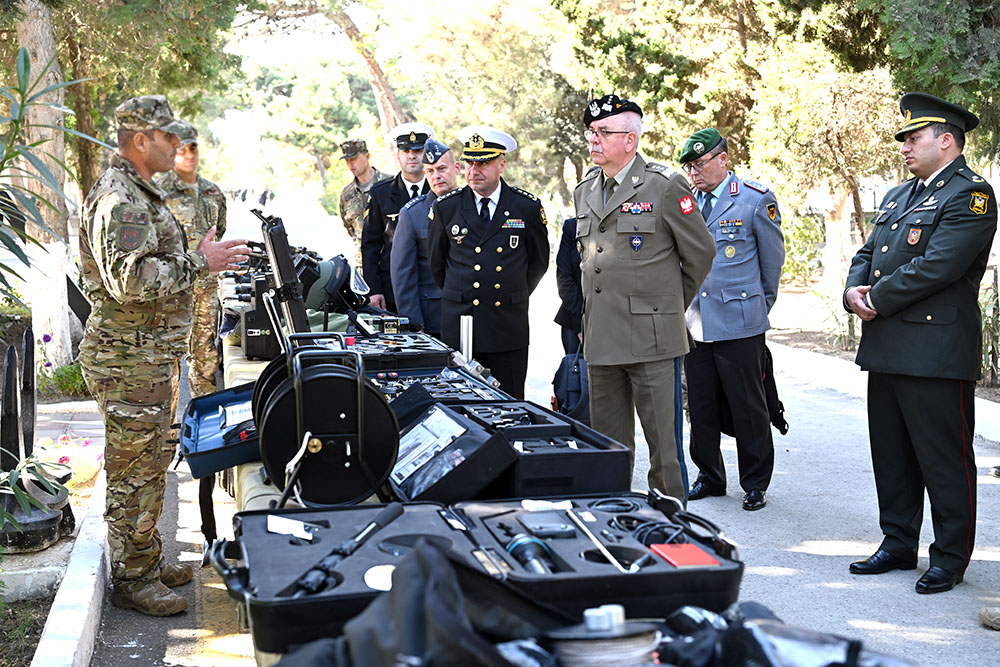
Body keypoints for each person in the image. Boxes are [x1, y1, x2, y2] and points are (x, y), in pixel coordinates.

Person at [78, 95, 248, 616]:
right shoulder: (121, 200)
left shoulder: (140, 192)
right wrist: (201, 261)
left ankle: (146, 562)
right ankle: (132, 581)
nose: (177, 145)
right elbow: (130, 281)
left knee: (151, 466)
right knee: (135, 473)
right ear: (138, 141)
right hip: (127, 361)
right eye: (167, 136)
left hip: (146, 357)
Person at [844, 93, 996, 594]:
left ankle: (951, 556)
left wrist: (878, 298)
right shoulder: (897, 195)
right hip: (887, 343)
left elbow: (940, 265)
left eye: (914, 137)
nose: (905, 147)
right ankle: (897, 542)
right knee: (891, 453)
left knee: (943, 458)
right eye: (904, 139)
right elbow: (868, 251)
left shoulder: (971, 195)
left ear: (946, 140)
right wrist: (852, 290)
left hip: (935, 349)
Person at [573, 94, 714, 500]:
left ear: (630, 140)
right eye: (592, 133)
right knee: (608, 449)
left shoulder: (664, 186)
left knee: (665, 453)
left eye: (603, 133)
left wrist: (666, 308)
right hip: (601, 338)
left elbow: (700, 253)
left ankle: (675, 535)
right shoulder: (585, 190)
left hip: (652, 341)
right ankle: (614, 525)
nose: (593, 140)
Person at [679, 128, 785, 512]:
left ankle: (755, 482)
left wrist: (757, 308)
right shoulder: (687, 202)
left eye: (700, 164)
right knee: (701, 404)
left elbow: (771, 264)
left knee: (748, 405)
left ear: (723, 160)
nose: (694, 172)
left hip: (740, 320)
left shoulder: (755, 200)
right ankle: (709, 474)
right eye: (689, 166)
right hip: (695, 321)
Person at [428, 125, 549, 399]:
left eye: (483, 163)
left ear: (502, 164)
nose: (474, 170)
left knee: (509, 404)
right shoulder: (446, 208)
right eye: (469, 163)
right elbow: (437, 265)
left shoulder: (525, 207)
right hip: (460, 325)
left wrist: (511, 292)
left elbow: (538, 264)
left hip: (506, 325)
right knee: (458, 404)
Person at [155, 122, 227, 399]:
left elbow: (217, 232)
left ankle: (202, 421)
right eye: (182, 148)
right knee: (168, 358)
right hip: (172, 290)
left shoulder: (213, 193)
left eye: (193, 147)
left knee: (206, 355)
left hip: (206, 288)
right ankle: (168, 433)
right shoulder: (158, 194)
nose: (189, 154)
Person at [390, 138, 460, 336]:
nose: (436, 176)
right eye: (430, 171)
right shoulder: (412, 214)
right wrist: (413, 323)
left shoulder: (474, 206)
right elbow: (403, 275)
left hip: (472, 316)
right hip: (432, 319)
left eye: (442, 169)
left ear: (457, 168)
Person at [362, 123, 434, 312]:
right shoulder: (381, 193)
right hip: (392, 291)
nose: (412, 155)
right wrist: (374, 289)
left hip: (433, 290)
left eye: (418, 150)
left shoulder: (440, 191)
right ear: (398, 155)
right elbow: (370, 246)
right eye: (406, 150)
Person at [338, 138, 388, 253]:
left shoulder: (389, 183)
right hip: (363, 263)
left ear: (367, 156)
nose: (350, 164)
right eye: (347, 160)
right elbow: (350, 228)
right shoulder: (347, 194)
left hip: (390, 258)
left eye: (354, 159)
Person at [554, 217, 583, 354]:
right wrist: (581, 325)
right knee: (578, 372)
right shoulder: (572, 226)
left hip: (617, 321)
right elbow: (564, 278)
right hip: (575, 316)